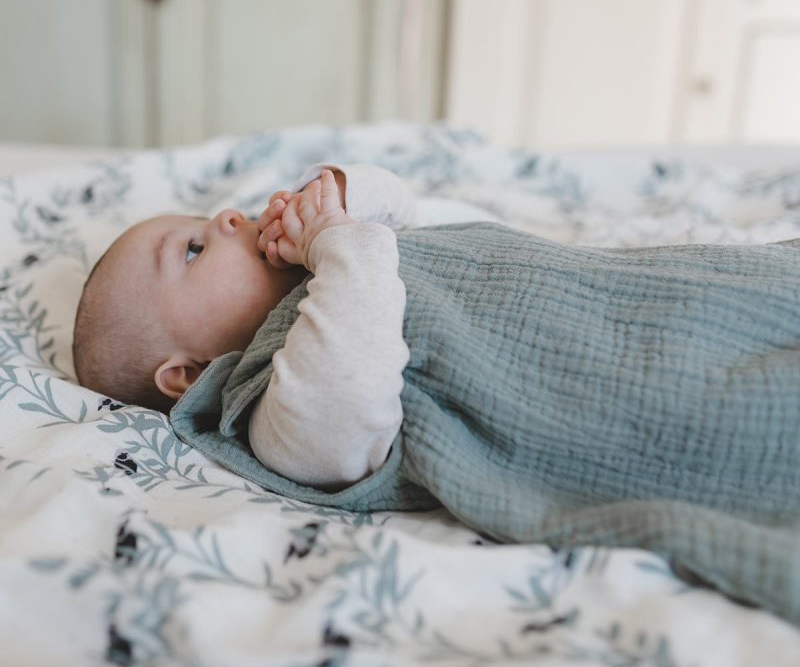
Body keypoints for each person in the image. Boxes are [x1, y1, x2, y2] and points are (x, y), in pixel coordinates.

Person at [73, 162, 800, 626]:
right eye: (195, 249)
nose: (228, 218)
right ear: (187, 372)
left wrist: (342, 197)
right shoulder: (271, 400)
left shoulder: (349, 249)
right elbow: (349, 396)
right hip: (619, 380)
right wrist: (337, 244)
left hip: (643, 297)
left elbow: (410, 208)